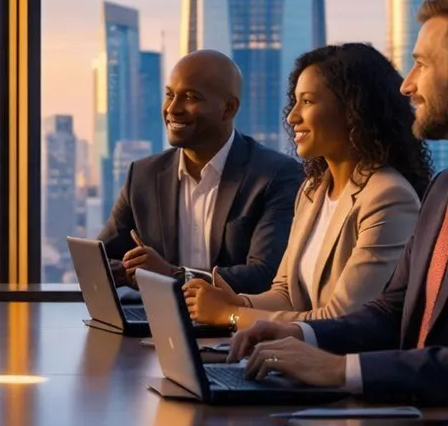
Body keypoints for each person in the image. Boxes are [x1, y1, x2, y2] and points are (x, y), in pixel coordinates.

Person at [231, 0, 448, 409]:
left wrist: (342, 371)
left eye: (422, 64)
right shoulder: (447, 187)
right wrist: (300, 336)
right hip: (414, 416)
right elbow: (392, 312)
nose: (407, 84)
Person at [184, 44, 429, 330]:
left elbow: (341, 319)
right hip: (297, 358)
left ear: (353, 110)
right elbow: (287, 294)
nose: (292, 116)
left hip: (343, 366)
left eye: (308, 102)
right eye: (295, 101)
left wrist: (230, 315)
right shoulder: (313, 191)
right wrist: (237, 302)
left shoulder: (389, 197)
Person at [98, 50, 302, 293]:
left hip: (236, 327)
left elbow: (265, 275)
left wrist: (174, 275)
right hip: (157, 322)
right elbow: (100, 261)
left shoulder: (275, 176)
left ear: (229, 108)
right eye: (170, 95)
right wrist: (133, 270)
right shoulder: (144, 175)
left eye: (190, 97)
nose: (173, 109)